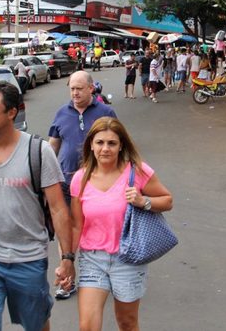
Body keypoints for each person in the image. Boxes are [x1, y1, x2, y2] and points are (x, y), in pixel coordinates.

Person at [0, 81, 75, 331]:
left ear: (12, 112)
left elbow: (57, 209)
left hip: (28, 259)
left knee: (36, 324)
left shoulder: (38, 151)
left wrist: (67, 258)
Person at [69, 117, 173, 331]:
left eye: (111, 143)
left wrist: (143, 201)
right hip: (93, 259)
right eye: (99, 142)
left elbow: (167, 200)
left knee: (127, 323)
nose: (105, 148)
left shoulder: (137, 172)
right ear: (91, 144)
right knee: (87, 326)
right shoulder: (80, 179)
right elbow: (76, 225)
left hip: (128, 258)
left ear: (121, 146)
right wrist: (67, 260)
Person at [48, 70, 116, 300]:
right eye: (72, 89)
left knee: (97, 229)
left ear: (91, 89)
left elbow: (118, 145)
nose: (75, 93)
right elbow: (53, 145)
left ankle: (106, 275)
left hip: (97, 184)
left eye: (79, 88)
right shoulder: (61, 113)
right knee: (65, 231)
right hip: (66, 182)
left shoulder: (105, 113)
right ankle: (67, 281)